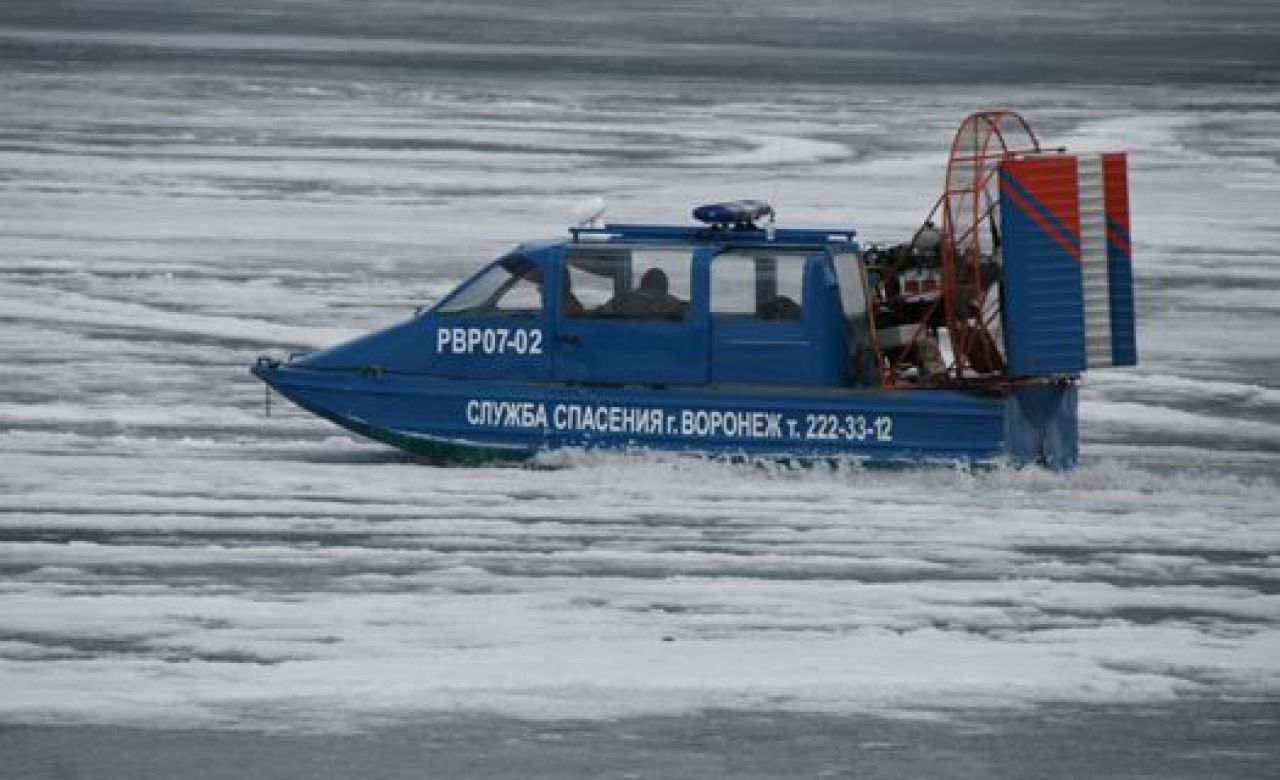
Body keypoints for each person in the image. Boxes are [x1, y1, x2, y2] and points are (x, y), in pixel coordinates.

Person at [598, 267, 687, 319]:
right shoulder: (675, 306)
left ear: (642, 283)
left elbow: (599, 314)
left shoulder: (621, 301)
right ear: (665, 287)